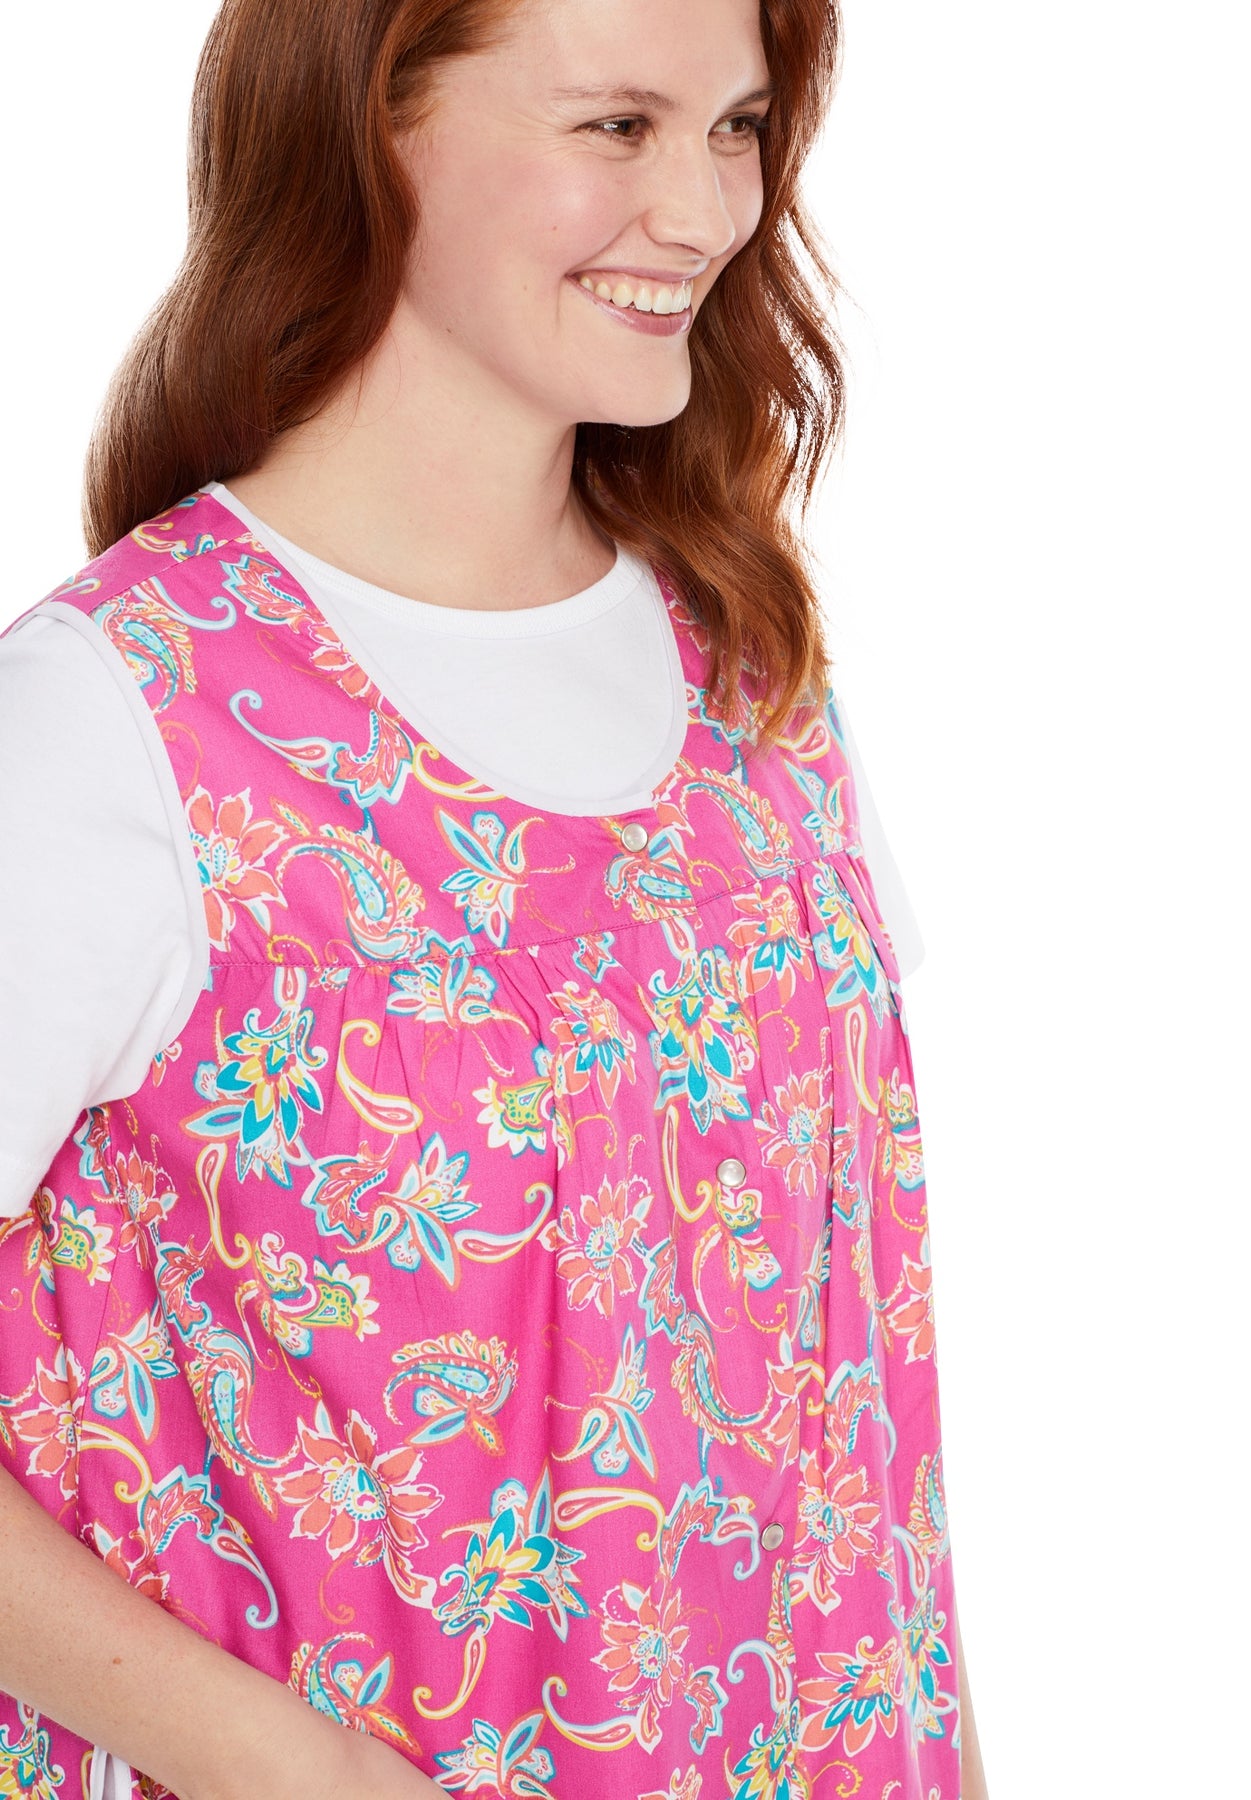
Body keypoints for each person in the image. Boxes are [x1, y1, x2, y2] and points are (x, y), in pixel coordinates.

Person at [0, 0, 988, 1795]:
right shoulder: (123, 717)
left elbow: (857, 1407)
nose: (706, 210)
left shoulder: (750, 666)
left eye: (738, 127)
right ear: (370, 126)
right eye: (616, 126)